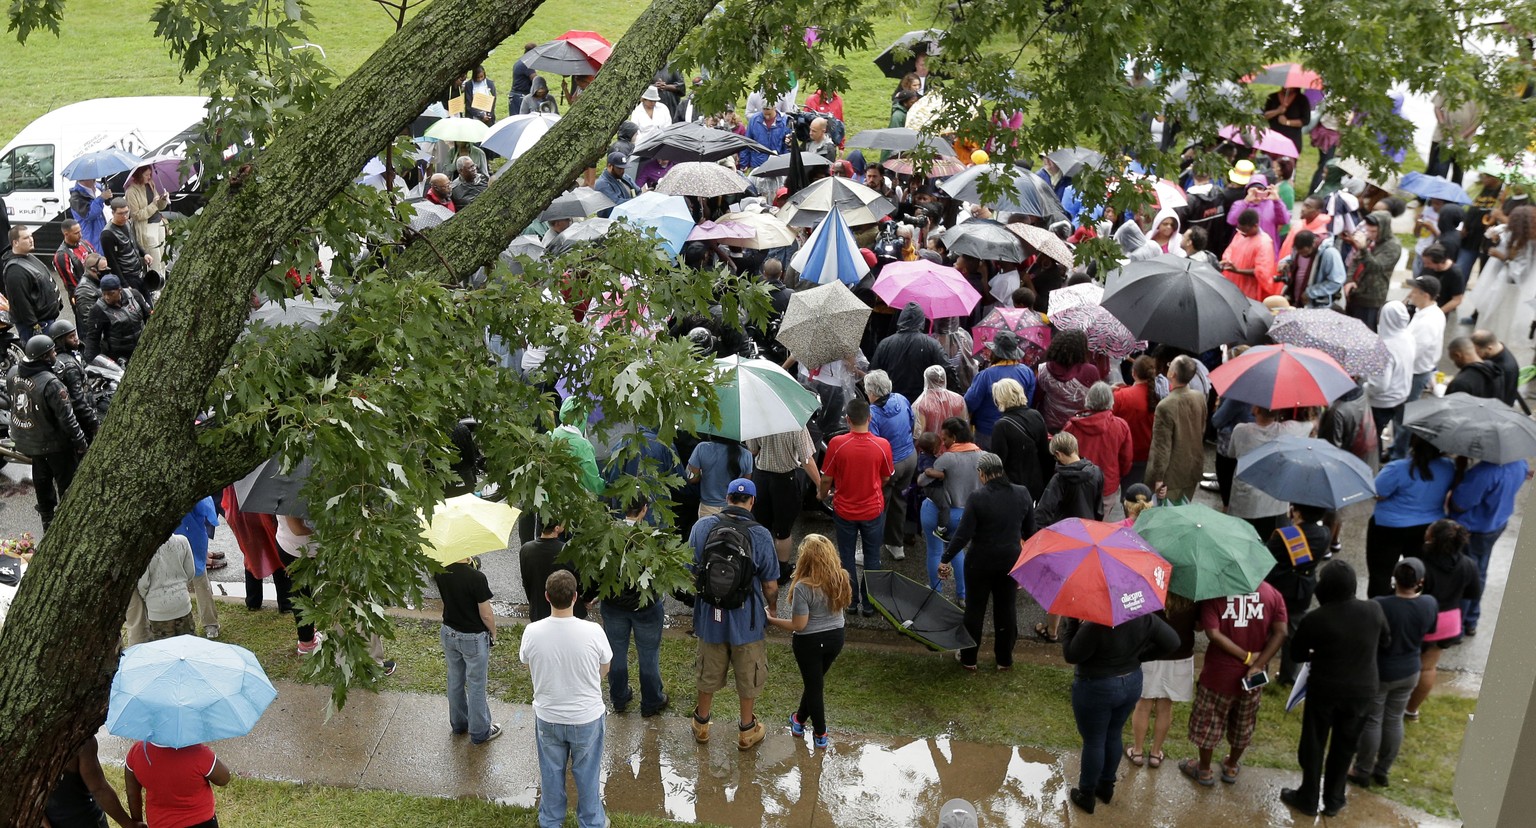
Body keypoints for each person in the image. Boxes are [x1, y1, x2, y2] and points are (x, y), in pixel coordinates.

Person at [1282, 561, 1390, 818]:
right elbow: (1386, 641)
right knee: (1345, 745)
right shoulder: (1374, 610)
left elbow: (1296, 653)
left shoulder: (1316, 618)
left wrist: (1317, 651)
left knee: (1314, 742)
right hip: (1362, 691)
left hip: (1325, 690)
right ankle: (1334, 799)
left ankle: (1308, 797)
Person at [688, 479, 779, 749]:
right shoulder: (760, 534)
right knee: (748, 672)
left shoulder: (703, 526)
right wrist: (771, 608)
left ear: (727, 498)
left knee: (708, 669)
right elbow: (770, 584)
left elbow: (690, 566)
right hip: (746, 619)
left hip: (710, 616)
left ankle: (701, 724)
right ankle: (747, 730)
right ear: (752, 502)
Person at [1062, 609, 1179, 813]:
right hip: (1131, 683)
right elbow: (1173, 642)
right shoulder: (1143, 615)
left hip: (1097, 686)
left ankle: (1087, 794)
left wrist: (1070, 622)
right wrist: (1142, 656)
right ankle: (1106, 787)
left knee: (1094, 740)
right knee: (1113, 733)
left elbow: (1072, 655)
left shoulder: (1094, 624)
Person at [520, 570, 612, 828]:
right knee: (588, 774)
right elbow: (605, 667)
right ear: (575, 597)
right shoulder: (593, 631)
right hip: (587, 717)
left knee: (550, 773)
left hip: (548, 716)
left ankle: (550, 820)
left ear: (547, 597)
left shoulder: (532, 632)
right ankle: (592, 821)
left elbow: (528, 665)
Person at [1179, 581, 1288, 788]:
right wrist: (1258, 663)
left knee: (1208, 724)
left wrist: (1245, 657)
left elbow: (1212, 632)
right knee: (1244, 724)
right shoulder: (1272, 594)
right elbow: (1281, 632)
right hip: (1252, 679)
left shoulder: (1216, 593)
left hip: (1218, 676)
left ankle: (1203, 770)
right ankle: (1231, 765)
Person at [939, 452, 1037, 671]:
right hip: (1010, 561)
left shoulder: (977, 497)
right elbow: (1031, 532)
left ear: (981, 473)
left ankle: (969, 659)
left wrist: (945, 559)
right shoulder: (1022, 494)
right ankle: (1004, 660)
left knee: (975, 610)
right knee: (1006, 610)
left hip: (979, 563)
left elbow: (963, 535)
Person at [1351, 557, 1439, 789]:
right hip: (1410, 671)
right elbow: (1430, 630)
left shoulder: (1380, 604)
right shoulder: (1429, 604)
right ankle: (1382, 770)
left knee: (1373, 719)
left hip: (1381, 671)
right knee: (1394, 718)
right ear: (1420, 581)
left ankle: (1362, 769)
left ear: (1395, 579)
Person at [766, 534, 849, 748]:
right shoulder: (841, 577)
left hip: (809, 642)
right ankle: (799, 719)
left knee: (814, 686)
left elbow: (798, 626)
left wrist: (771, 620)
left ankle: (820, 734)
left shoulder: (803, 587)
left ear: (805, 559)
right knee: (815, 682)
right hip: (836, 638)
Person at [819, 399, 894, 616]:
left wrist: (822, 495)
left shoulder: (837, 444)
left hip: (844, 510)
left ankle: (851, 601)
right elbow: (886, 477)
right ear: (869, 418)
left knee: (846, 555)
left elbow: (827, 479)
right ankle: (870, 604)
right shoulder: (883, 445)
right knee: (872, 556)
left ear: (847, 419)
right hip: (873, 509)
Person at [9, 335, 88, 530]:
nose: (55, 354)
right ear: (45, 357)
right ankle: (70, 523)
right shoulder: (51, 383)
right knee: (67, 483)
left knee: (42, 479)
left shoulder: (13, 373)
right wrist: (81, 442)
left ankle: (47, 519)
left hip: (30, 442)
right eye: (52, 352)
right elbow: (67, 419)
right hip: (55, 444)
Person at [1406, 520, 1482, 719]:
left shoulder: (1419, 562)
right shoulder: (1468, 564)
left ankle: (1393, 703)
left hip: (1419, 619)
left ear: (1431, 538)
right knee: (1428, 667)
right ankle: (1411, 710)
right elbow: (1473, 593)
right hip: (1448, 623)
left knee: (1403, 661)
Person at [1447, 455, 1528, 636]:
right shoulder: (1519, 463)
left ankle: (1458, 627)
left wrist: (1460, 472)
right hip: (1496, 524)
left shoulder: (1484, 472)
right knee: (1479, 572)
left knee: (1465, 575)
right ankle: (1471, 620)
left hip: (1473, 529)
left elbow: (1460, 504)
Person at [604, 497, 669, 717]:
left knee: (616, 653)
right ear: (644, 510)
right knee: (649, 654)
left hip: (613, 605)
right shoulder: (651, 538)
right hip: (646, 608)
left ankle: (619, 697)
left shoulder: (609, 534)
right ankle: (651, 700)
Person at [1365, 436, 1452, 597]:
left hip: (1388, 527)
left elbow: (1377, 493)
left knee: (1380, 574)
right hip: (1428, 528)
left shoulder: (1397, 468)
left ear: (1412, 444)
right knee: (1418, 573)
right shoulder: (1448, 467)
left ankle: (1380, 611)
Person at [435, 545, 500, 744]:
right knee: (476, 684)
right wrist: (494, 633)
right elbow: (486, 614)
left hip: (449, 632)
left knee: (455, 679)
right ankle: (480, 731)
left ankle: (459, 723)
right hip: (472, 637)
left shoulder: (440, 570)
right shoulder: (476, 578)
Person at [1127, 589, 1197, 771]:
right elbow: (1199, 625)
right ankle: (1156, 753)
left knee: (1143, 704)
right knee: (1165, 707)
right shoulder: (1193, 590)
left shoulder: (1151, 585)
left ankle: (1137, 751)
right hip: (1180, 654)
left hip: (1150, 651)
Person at [1264, 502, 1330, 684]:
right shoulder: (1325, 533)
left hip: (1278, 588)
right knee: (1293, 634)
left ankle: (1262, 671)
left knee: (1268, 632)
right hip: (1303, 590)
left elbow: (1265, 557)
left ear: (1297, 512)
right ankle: (1288, 677)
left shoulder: (1285, 535)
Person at [746, 426, 820, 583]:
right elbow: (806, 459)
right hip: (785, 480)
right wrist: (820, 485)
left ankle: (760, 567)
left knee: (761, 527)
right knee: (783, 530)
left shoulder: (756, 419)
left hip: (761, 478)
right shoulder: (795, 424)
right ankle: (781, 571)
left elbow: (753, 450)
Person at [919, 418, 981, 604]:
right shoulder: (983, 455)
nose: (943, 442)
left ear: (954, 438)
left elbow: (922, 481)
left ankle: (936, 592)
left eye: (945, 438)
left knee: (935, 552)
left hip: (937, 511)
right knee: (957, 552)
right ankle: (962, 595)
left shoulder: (947, 458)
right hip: (965, 514)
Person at [1228, 407, 1315, 537]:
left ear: (1256, 410)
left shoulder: (1241, 430)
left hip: (1244, 501)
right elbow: (1311, 424)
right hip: (1275, 503)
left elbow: (1231, 453)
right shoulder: (1289, 430)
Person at [1062, 383, 1133, 520]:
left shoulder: (1072, 427)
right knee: (1101, 526)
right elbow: (1126, 459)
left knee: (1080, 524)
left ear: (1088, 400)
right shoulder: (1120, 426)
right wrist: (1117, 476)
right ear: (1110, 401)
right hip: (1107, 484)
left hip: (1079, 485)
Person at [865, 370, 916, 562]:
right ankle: (896, 545)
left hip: (890, 464)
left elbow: (875, 445)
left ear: (872, 392)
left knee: (879, 506)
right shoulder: (901, 399)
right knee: (899, 502)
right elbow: (912, 422)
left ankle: (872, 551)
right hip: (910, 457)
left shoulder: (873, 413)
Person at [123, 739, 231, 828]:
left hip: (160, 823)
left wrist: (137, 821)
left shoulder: (137, 752)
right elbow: (223, 778)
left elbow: (132, 793)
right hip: (203, 822)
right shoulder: (197, 752)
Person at [1147, 356, 1208, 505]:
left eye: (1170, 364)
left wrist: (1159, 479)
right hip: (1191, 469)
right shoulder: (1199, 397)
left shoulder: (1165, 406)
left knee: (1164, 519)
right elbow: (1201, 429)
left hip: (1171, 477)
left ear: (1172, 374)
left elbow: (1162, 447)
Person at [45, 734, 141, 828]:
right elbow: (99, 789)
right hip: (85, 821)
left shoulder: (32, 742)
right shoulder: (81, 741)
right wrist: (128, 823)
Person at [963, 330, 1036, 448]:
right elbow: (1028, 402)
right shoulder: (1027, 372)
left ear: (995, 352)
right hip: (1017, 429)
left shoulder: (985, 375)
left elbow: (970, 403)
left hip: (987, 431)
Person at [872, 303, 950, 402]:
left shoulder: (885, 344)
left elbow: (873, 375)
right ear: (921, 321)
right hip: (923, 404)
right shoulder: (932, 345)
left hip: (893, 404)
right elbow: (948, 370)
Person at [1363, 303, 1413, 456]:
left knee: (1373, 435)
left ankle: (1374, 461)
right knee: (1398, 428)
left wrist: (1363, 387)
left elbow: (1379, 385)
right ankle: (1395, 454)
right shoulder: (1408, 336)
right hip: (1402, 395)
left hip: (1382, 402)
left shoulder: (1383, 347)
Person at [988, 377, 1051, 500]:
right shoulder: (1036, 415)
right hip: (1036, 484)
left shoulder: (1001, 426)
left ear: (1000, 399)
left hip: (1014, 489)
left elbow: (998, 464)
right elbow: (1045, 454)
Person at [1399, 275, 1446, 431]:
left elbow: (1413, 352)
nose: (1411, 294)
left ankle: (1398, 451)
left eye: (1414, 291)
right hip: (1416, 371)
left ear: (1425, 296)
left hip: (1415, 373)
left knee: (1404, 415)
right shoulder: (1425, 312)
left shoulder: (1428, 322)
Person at [1341, 211, 1402, 331]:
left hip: (1371, 297)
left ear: (1383, 229)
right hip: (1355, 292)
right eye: (1368, 230)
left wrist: (1363, 249)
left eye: (1373, 231)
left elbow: (1376, 267)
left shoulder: (1392, 246)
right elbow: (1356, 260)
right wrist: (1349, 280)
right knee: (1349, 329)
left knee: (1365, 333)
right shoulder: (1369, 239)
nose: (1369, 234)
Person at [175, 495, 223, 641]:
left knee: (176, 583)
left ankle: (180, 624)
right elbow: (210, 514)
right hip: (194, 538)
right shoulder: (196, 488)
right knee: (201, 582)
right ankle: (210, 625)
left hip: (174, 539)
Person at [520, 518, 587, 622]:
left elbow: (526, 581)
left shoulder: (526, 549)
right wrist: (585, 600)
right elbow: (580, 581)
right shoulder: (567, 551)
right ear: (556, 528)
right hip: (568, 610)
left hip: (539, 610)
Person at [1033, 329, 1100, 432]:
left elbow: (1036, 399)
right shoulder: (1091, 371)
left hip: (1049, 427)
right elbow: (1096, 402)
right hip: (1079, 427)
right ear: (1082, 349)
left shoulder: (1044, 369)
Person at [133, 534, 197, 643]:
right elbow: (190, 572)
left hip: (158, 608)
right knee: (188, 646)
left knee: (164, 650)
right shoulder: (182, 541)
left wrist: (147, 598)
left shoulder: (146, 548)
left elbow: (143, 583)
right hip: (182, 602)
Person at [275, 515, 324, 656]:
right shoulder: (292, 495)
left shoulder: (280, 492)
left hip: (289, 544)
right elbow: (297, 529)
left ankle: (308, 632)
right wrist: (325, 529)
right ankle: (307, 643)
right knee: (302, 596)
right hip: (299, 552)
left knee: (303, 593)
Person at [3, 226, 64, 337]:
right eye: (26, 238)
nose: (31, 240)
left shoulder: (27, 257)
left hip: (47, 321)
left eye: (31, 236)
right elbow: (21, 303)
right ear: (15, 242)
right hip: (38, 326)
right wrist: (34, 326)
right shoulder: (15, 270)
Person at [45, 319, 101, 441]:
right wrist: (94, 422)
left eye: (75, 334)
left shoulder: (64, 358)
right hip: (81, 420)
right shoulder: (69, 367)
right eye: (71, 337)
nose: (76, 339)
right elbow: (78, 400)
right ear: (60, 341)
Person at [1112, 356, 1158, 494]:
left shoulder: (1120, 396)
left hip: (1123, 454)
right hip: (1146, 455)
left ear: (1133, 373)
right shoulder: (1158, 396)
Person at [84, 275, 153, 364]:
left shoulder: (134, 295)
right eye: (104, 294)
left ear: (119, 290)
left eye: (110, 293)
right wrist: (89, 361)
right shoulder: (98, 309)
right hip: (119, 356)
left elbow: (149, 316)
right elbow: (92, 338)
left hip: (143, 347)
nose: (107, 297)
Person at [688, 434, 754, 519]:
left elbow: (692, 478)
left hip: (708, 508)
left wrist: (702, 474)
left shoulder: (702, 448)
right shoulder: (746, 454)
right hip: (735, 508)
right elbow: (745, 484)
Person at [1219, 209, 1279, 301]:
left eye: (1245, 231)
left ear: (1255, 226)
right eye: (1239, 229)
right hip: (1233, 285)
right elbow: (1230, 249)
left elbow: (1262, 272)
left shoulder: (1264, 243)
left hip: (1249, 291)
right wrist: (1227, 260)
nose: (1242, 234)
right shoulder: (1241, 234)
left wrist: (1238, 270)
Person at [98, 199, 153, 296]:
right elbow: (112, 262)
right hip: (127, 275)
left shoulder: (127, 223)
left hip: (138, 271)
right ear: (113, 213)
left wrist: (144, 254)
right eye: (120, 213)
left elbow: (133, 241)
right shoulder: (107, 234)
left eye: (126, 212)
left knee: (148, 303)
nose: (124, 216)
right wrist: (124, 285)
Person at [1226, 176, 1291, 256]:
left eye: (1260, 189)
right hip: (1244, 251)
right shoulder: (1240, 204)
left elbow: (1285, 220)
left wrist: (1277, 201)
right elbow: (1231, 220)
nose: (1257, 192)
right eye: (1253, 189)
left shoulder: (1272, 204)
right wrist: (1246, 202)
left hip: (1267, 252)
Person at [124, 166, 171, 269]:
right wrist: (153, 205)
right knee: (155, 260)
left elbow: (159, 207)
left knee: (163, 258)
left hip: (159, 223)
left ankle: (163, 282)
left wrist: (163, 199)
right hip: (146, 227)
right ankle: (156, 283)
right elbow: (136, 215)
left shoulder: (151, 184)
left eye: (150, 174)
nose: (149, 177)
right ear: (139, 175)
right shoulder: (131, 191)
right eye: (146, 175)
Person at [912, 364, 968, 440]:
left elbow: (918, 434)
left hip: (931, 448)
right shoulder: (958, 399)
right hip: (954, 447)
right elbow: (964, 424)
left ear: (926, 379)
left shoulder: (920, 404)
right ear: (944, 378)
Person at [1471, 329, 1521, 407]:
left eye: (1478, 352)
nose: (1476, 356)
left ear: (1489, 348)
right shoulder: (1495, 351)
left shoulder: (1507, 369)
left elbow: (1504, 400)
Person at [52, 219, 96, 304]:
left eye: (80, 231)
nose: (80, 235)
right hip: (83, 297)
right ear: (66, 234)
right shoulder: (62, 256)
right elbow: (71, 284)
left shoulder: (85, 244)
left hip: (97, 289)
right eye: (76, 233)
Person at [1263, 86, 1312, 156]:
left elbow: (1305, 120)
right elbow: (1264, 116)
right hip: (1273, 137)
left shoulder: (1302, 99)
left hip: (1291, 139)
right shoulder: (1272, 97)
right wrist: (1277, 111)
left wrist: (1287, 122)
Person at [740, 104, 790, 170]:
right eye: (765, 114)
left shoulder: (785, 121)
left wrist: (785, 164)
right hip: (757, 164)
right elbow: (747, 142)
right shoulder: (754, 120)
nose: (767, 117)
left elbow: (788, 146)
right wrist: (744, 163)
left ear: (774, 108)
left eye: (769, 114)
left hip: (777, 165)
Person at [68, 177, 110, 254]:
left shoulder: (97, 187)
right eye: (92, 178)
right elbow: (89, 214)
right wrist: (101, 198)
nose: (95, 180)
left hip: (103, 234)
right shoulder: (76, 198)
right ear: (84, 178)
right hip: (92, 237)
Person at [508, 42, 538, 116]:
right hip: (520, 96)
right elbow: (535, 80)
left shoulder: (520, 61)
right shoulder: (527, 64)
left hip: (515, 96)